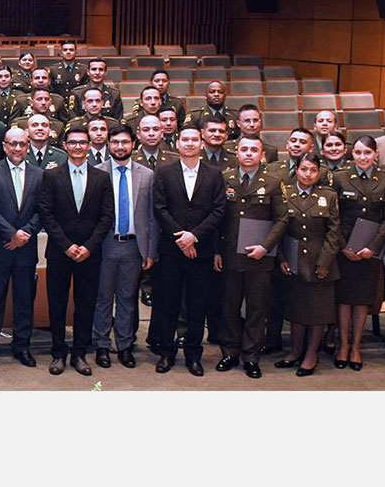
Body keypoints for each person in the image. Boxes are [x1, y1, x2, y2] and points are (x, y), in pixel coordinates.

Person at [150, 125, 227, 376]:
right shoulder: (164, 172)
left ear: (202, 143)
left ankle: (194, 355)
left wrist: (194, 236)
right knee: (168, 304)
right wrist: (182, 238)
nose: (190, 143)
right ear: (178, 143)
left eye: (195, 139)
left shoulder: (214, 174)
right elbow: (160, 209)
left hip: (201, 251)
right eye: (186, 139)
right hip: (172, 251)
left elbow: (218, 210)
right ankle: (166, 353)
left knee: (197, 305)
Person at [38, 126, 113, 375]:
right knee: (57, 304)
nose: (78, 146)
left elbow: (106, 217)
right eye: (73, 142)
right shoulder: (51, 176)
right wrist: (67, 245)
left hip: (90, 254)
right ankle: (58, 352)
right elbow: (46, 215)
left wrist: (89, 247)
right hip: (60, 252)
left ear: (90, 145)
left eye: (83, 142)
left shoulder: (102, 178)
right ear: (65, 146)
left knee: (86, 304)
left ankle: (80, 353)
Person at [213, 136, 287, 379]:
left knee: (257, 308)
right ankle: (230, 352)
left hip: (260, 258)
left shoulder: (274, 182)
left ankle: (251, 355)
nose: (248, 153)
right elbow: (217, 219)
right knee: (229, 307)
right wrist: (216, 250)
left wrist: (265, 247)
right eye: (243, 149)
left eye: (253, 150)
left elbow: (282, 219)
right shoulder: (225, 179)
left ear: (262, 155)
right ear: (237, 152)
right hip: (229, 256)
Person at [330, 135, 385, 371]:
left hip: (370, 251)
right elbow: (332, 216)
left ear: (375, 154)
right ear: (352, 154)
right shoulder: (339, 178)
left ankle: (356, 347)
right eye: (358, 153)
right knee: (343, 299)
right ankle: (343, 346)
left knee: (361, 301)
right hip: (345, 250)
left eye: (367, 153)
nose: (362, 157)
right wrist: (342, 246)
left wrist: (374, 247)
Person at [272, 153, 342, 376]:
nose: (308, 174)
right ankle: (295, 351)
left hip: (319, 263)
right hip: (293, 262)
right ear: (297, 170)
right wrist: (281, 258)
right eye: (304, 169)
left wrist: (325, 262)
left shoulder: (328, 196)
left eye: (313, 170)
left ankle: (311, 355)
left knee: (317, 313)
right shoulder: (286, 193)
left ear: (318, 172)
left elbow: (334, 233)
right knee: (296, 310)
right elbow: (278, 230)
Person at [93, 125, 158, 368]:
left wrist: (151, 250)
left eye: (125, 142)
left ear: (134, 144)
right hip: (105, 244)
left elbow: (152, 216)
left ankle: (124, 345)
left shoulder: (147, 175)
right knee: (103, 298)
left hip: (133, 246)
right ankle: (101, 344)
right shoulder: (97, 172)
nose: (120, 147)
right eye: (115, 142)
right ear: (108, 145)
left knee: (128, 298)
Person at [0, 128, 44, 368]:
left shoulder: (39, 175)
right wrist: (11, 234)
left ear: (28, 146)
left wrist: (24, 234)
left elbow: (43, 210)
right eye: (12, 144)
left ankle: (22, 346)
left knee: (24, 299)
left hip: (26, 248)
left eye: (22, 144)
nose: (17, 149)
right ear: (4, 146)